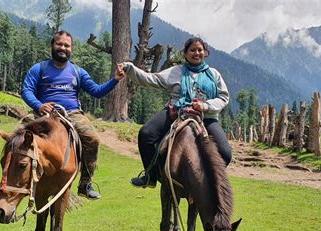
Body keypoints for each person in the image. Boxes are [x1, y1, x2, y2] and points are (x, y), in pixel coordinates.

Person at [20, 30, 124, 200]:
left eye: (66, 45)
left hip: (72, 114)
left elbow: (96, 91)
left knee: (93, 139)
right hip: (44, 113)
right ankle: (5, 185)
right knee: (16, 139)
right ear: (52, 45)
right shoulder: (39, 68)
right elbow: (27, 90)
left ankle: (85, 183)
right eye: (59, 44)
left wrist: (115, 79)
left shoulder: (78, 72)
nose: (63, 48)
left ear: (71, 49)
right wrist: (39, 105)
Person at [120, 37, 232, 188]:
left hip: (206, 117)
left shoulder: (214, 74)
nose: (196, 53)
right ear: (185, 54)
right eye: (192, 50)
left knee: (225, 153)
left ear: (205, 53)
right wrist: (130, 68)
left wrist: (205, 106)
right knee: (146, 133)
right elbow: (152, 79)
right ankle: (151, 176)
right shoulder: (176, 71)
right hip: (176, 112)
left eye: (200, 50)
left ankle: (209, 183)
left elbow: (223, 97)